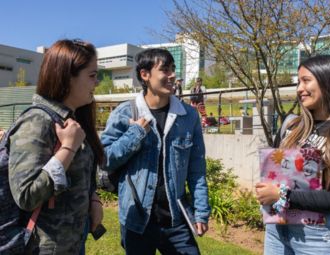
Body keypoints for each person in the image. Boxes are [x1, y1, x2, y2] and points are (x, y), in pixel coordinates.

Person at [255, 55, 330, 254]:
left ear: (328, 81)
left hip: (319, 238)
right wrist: (265, 189)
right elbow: (273, 171)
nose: (300, 88)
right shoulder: (291, 125)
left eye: (306, 80)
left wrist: (283, 195)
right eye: (298, 81)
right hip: (277, 230)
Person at [101, 48, 210, 255]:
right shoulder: (125, 113)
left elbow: (197, 170)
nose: (172, 76)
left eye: (173, 70)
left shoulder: (188, 116)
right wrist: (135, 133)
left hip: (176, 219)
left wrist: (201, 211)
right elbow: (104, 159)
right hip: (137, 219)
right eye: (165, 70)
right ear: (145, 75)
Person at [8, 39, 104, 254]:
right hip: (42, 248)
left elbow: (80, 175)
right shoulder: (36, 122)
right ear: (67, 77)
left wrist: (93, 197)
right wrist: (68, 148)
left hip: (72, 243)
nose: (96, 83)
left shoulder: (73, 120)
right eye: (92, 75)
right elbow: (26, 195)